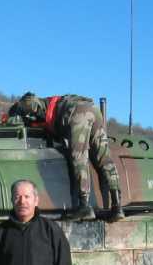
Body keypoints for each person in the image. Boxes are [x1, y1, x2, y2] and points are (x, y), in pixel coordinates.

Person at [9, 92, 124, 221]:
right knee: (104, 159)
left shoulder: (35, 105)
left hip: (78, 113)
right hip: (93, 109)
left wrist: (17, 113)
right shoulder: (48, 108)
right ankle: (117, 206)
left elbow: (31, 103)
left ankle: (84, 206)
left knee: (79, 157)